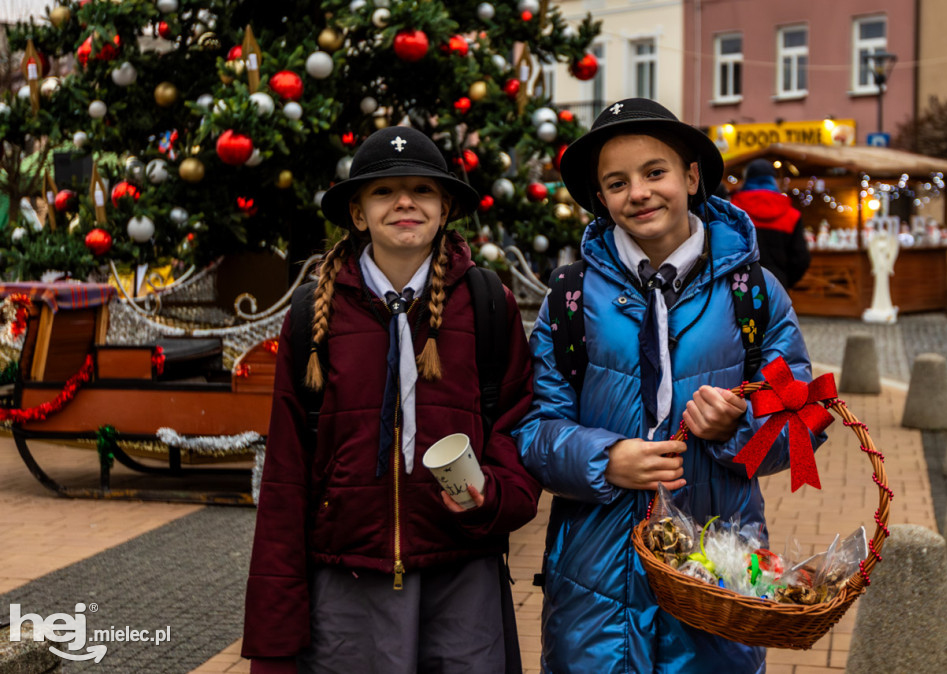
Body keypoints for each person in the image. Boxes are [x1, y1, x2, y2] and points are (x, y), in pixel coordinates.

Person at [514, 98, 823, 673]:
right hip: (594, 583)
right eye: (617, 181)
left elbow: (804, 424)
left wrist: (740, 428)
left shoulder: (753, 290)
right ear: (600, 198)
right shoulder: (571, 297)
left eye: (655, 172)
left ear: (690, 175)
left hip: (718, 573)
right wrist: (604, 458)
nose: (639, 192)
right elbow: (532, 430)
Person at [242, 126, 541, 674]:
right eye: (384, 191)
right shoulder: (313, 315)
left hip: (461, 574)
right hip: (345, 579)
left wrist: (494, 495)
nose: (405, 201)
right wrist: (275, 631)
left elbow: (519, 426)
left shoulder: (486, 304)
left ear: (445, 207)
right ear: (358, 214)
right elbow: (287, 472)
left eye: (422, 190)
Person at [729, 158, 810, 289]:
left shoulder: (733, 211)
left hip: (739, 287)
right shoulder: (792, 215)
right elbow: (801, 259)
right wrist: (785, 280)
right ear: (773, 180)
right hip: (778, 286)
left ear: (747, 179)